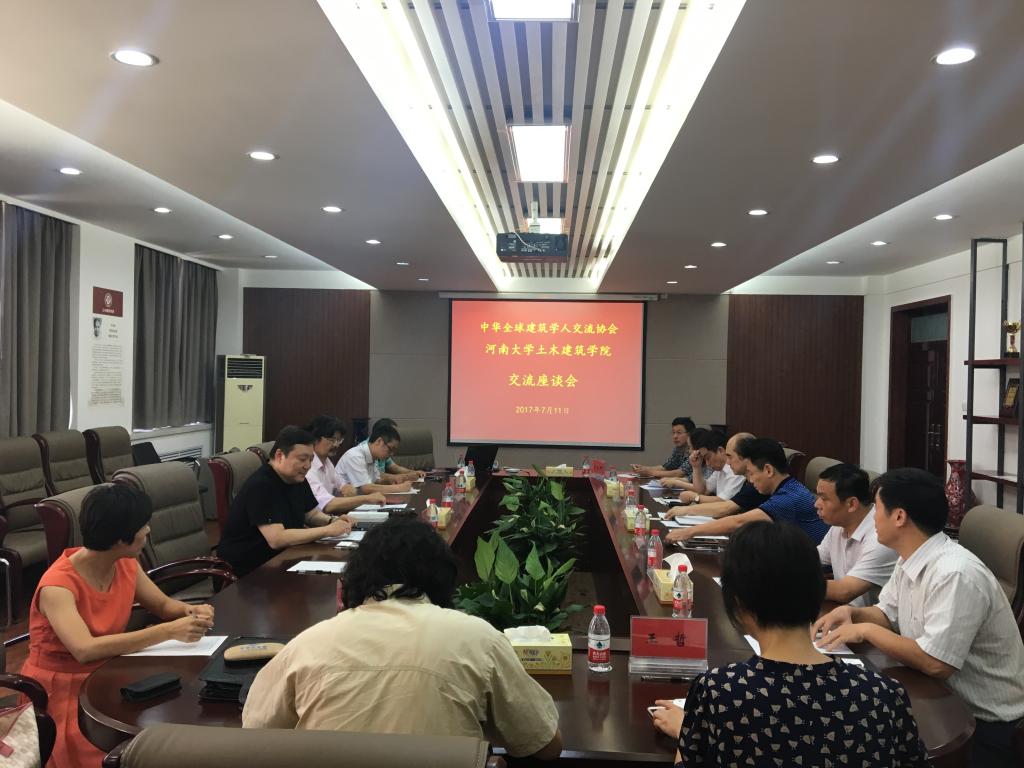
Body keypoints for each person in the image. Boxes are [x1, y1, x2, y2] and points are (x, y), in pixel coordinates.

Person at [242, 517, 563, 760]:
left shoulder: (309, 643)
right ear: (443, 576)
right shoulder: (478, 638)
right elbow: (544, 745)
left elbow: (255, 735)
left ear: (355, 576)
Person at [651, 520, 927, 766]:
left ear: (738, 604)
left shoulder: (719, 693)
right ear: (817, 592)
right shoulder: (884, 695)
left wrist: (689, 733)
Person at [815, 468, 1024, 767]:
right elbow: (886, 613)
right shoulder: (909, 557)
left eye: (877, 509)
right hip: (935, 695)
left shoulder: (955, 573)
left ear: (899, 517)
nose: (873, 518)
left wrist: (865, 631)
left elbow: (936, 663)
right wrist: (853, 613)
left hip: (982, 724)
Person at [19, 485, 214, 768]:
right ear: (120, 538)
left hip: (108, 672)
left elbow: (162, 605)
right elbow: (84, 650)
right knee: (115, 753)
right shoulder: (58, 586)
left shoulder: (125, 563)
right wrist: (167, 631)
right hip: (62, 689)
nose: (148, 530)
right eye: (143, 525)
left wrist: (188, 610)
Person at [218, 426, 353, 577]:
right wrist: (327, 530)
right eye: (302, 459)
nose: (308, 466)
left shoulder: (297, 478)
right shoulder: (261, 485)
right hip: (249, 569)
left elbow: (311, 514)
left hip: (282, 558)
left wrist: (332, 521)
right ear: (280, 455)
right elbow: (277, 539)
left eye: (311, 460)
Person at [666, 438, 828, 544]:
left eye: (751, 473)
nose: (750, 480)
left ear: (768, 470)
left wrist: (689, 532)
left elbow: (739, 521)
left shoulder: (788, 497)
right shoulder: (789, 487)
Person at [814, 463, 896, 607]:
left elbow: (844, 591)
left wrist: (787, 582)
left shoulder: (880, 537)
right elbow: (812, 558)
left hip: (872, 617)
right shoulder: (839, 525)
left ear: (852, 504)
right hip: (846, 611)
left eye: (824, 499)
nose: (816, 504)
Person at [666, 433, 769, 519]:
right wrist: (696, 467)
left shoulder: (748, 480)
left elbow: (725, 507)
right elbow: (703, 490)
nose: (728, 462)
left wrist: (690, 506)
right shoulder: (746, 480)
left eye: (730, 457)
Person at [305, 415, 387, 513]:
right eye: (332, 440)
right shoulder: (307, 467)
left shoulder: (327, 462)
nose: (336, 445)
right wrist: (366, 498)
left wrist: (347, 489)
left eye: (339, 440)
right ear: (315, 438)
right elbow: (326, 505)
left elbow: (344, 488)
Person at [660, 429, 744, 502]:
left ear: (721, 451)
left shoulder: (735, 469)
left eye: (708, 457)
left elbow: (724, 501)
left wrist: (695, 498)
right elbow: (702, 490)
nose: (707, 463)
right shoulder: (720, 469)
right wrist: (696, 467)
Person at [338, 422, 413, 494]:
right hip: (340, 498)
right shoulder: (355, 456)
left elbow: (376, 480)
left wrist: (390, 479)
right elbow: (366, 488)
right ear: (379, 441)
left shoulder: (372, 456)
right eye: (390, 449)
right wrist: (399, 488)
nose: (392, 454)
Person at [631, 417, 705, 482]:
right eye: (673, 432)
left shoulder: (695, 451)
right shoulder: (678, 449)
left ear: (689, 434)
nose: (675, 436)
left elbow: (679, 473)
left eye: (679, 433)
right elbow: (666, 467)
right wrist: (644, 468)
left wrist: (650, 472)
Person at [362, 417, 426, 482]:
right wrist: (405, 477)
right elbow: (377, 476)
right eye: (393, 433)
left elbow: (393, 467)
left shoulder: (383, 448)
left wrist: (412, 472)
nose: (396, 436)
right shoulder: (366, 450)